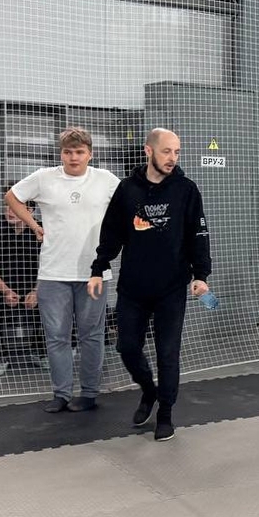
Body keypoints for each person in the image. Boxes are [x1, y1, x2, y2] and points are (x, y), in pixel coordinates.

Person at [89, 128, 211, 442]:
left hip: (172, 287)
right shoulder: (127, 189)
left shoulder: (186, 189)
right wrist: (98, 267)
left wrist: (201, 275)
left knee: (167, 353)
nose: (173, 158)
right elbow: (112, 232)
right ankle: (148, 390)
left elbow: (198, 234)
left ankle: (166, 413)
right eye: (166, 151)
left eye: (177, 152)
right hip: (134, 286)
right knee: (127, 347)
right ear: (149, 151)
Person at [7, 127, 119, 413]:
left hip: (94, 273)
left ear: (89, 154)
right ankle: (61, 394)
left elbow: (130, 205)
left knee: (91, 336)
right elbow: (12, 196)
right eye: (68, 152)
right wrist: (34, 225)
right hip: (53, 273)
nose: (73, 157)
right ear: (61, 154)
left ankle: (89, 393)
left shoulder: (106, 180)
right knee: (56, 336)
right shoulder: (44, 178)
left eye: (79, 152)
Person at [0, 187, 44, 378]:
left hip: (33, 284)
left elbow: (50, 265)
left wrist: (36, 291)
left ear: (30, 211)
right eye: (8, 206)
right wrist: (6, 291)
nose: (10, 211)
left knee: (55, 298)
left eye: (16, 207)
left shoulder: (41, 229)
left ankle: (41, 349)